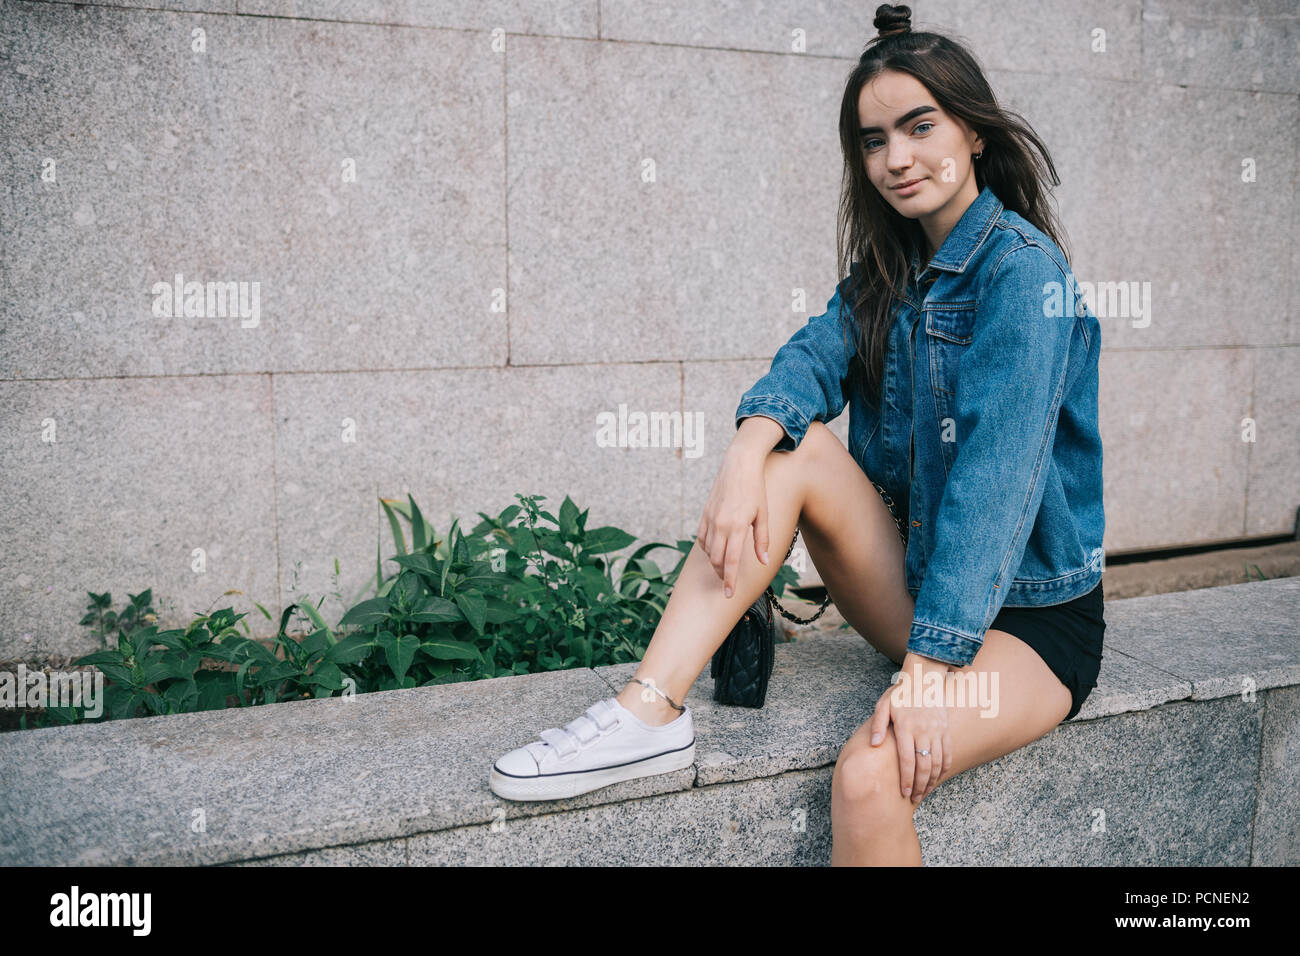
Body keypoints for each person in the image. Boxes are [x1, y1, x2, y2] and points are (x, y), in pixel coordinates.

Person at [489, 2, 1106, 866]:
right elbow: (808, 362)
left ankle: (670, 704)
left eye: (919, 126)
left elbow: (994, 489)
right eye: (873, 138)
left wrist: (929, 670)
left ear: (973, 131)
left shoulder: (1024, 277)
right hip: (924, 590)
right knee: (792, 444)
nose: (896, 158)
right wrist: (747, 452)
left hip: (1031, 623)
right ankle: (648, 709)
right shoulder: (891, 270)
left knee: (867, 776)